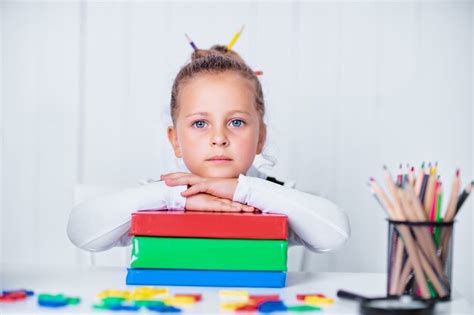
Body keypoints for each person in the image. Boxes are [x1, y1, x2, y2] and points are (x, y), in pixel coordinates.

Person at [67, 45, 350, 254]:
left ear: (260, 136)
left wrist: (243, 190)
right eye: (200, 123)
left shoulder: (272, 194)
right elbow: (80, 231)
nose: (219, 138)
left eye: (236, 122)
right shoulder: (159, 195)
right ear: (175, 139)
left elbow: (336, 233)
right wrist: (173, 195)